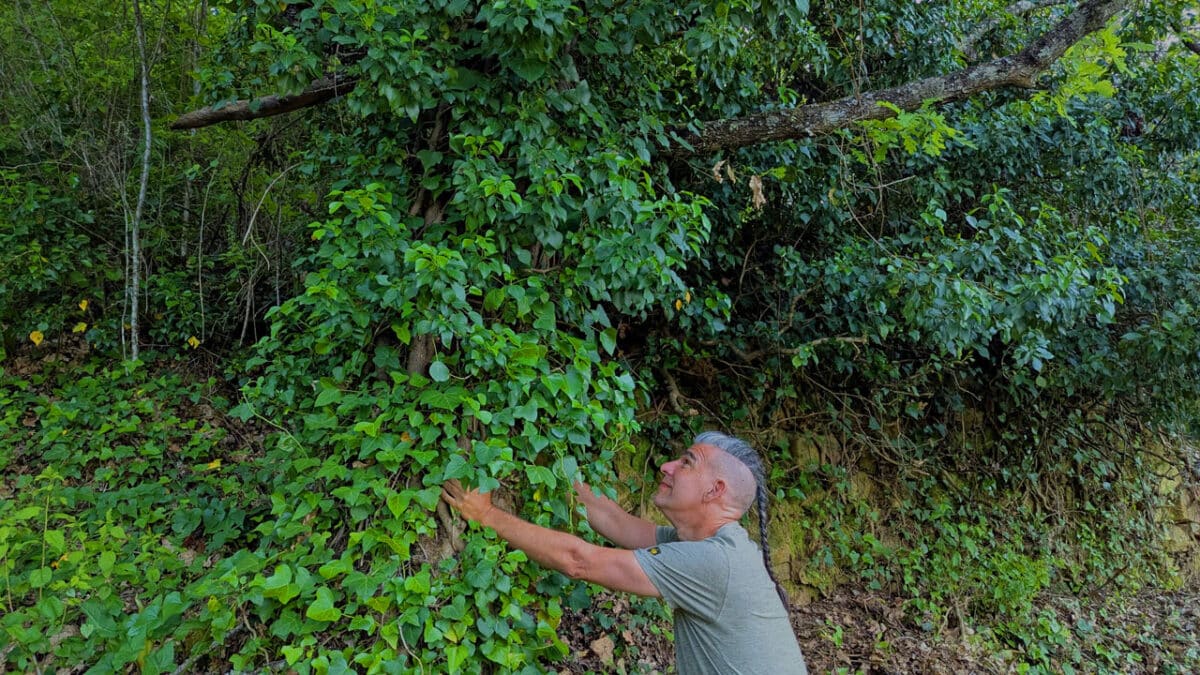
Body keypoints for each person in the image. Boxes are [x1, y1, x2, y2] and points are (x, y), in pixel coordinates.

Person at [441, 431, 808, 674]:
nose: (667, 466)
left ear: (714, 491)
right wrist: (547, 461)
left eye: (686, 462)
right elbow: (615, 521)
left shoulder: (712, 562)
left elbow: (579, 561)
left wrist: (487, 515)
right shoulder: (705, 544)